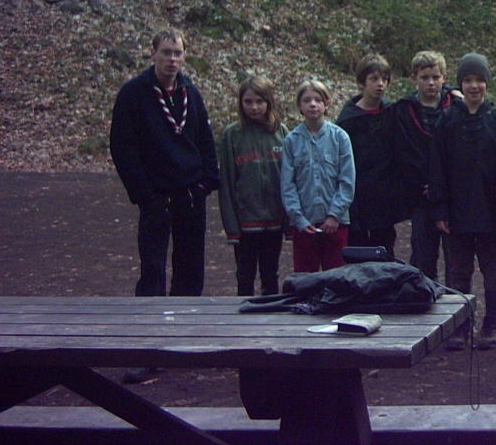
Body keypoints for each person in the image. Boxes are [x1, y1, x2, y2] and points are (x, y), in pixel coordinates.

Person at [109, 29, 218, 384]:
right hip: (156, 198)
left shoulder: (190, 92)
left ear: (185, 56)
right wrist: (145, 195)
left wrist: (206, 182)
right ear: (153, 53)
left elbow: (205, 140)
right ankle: (147, 349)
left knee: (190, 272)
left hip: (191, 194)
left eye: (178, 53)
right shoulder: (134, 94)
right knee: (153, 273)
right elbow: (123, 148)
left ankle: (181, 344)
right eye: (166, 52)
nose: (172, 59)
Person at [428, 53, 496, 351]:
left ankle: (492, 324)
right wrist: (440, 208)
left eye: (479, 80)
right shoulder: (447, 120)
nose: (474, 86)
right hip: (457, 211)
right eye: (468, 80)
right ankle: (460, 326)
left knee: (492, 271)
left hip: (490, 211)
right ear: (460, 84)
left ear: (486, 83)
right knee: (458, 271)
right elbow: (437, 167)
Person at [393, 50, 463, 280]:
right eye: (424, 77)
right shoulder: (404, 110)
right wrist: (424, 183)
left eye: (435, 77)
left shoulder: (457, 106)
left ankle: (458, 300)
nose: (431, 83)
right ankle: (424, 299)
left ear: (444, 78)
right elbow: (403, 152)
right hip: (421, 195)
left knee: (456, 258)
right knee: (423, 257)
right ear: (414, 78)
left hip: (452, 195)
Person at [218, 75, 289, 296]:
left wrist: (289, 220)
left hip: (275, 221)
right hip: (245, 222)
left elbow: (289, 179)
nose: (254, 107)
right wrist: (232, 227)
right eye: (248, 102)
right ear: (241, 103)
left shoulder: (281, 133)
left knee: (271, 274)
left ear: (269, 102)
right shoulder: (232, 135)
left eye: (260, 101)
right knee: (245, 275)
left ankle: (270, 314)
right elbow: (226, 184)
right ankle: (242, 315)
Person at [280, 79, 356, 272]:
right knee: (306, 279)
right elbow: (287, 184)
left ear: (326, 104)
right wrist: (299, 219)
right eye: (307, 100)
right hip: (305, 225)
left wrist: (334, 215)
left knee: (337, 276)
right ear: (299, 106)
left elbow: (347, 181)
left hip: (336, 224)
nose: (312, 104)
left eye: (318, 100)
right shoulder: (291, 141)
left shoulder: (340, 137)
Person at [336, 54, 404, 259]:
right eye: (374, 79)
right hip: (357, 198)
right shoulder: (348, 120)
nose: (380, 84)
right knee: (357, 253)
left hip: (384, 199)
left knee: (384, 252)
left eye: (384, 79)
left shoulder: (392, 112)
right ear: (361, 83)